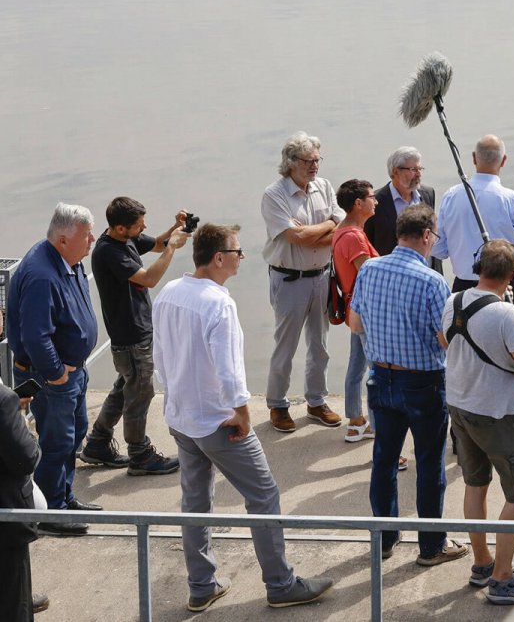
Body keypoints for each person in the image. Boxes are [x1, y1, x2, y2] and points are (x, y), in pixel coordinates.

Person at [153, 222, 333, 610]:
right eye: (237, 252)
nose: (242, 258)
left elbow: (161, 358)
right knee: (264, 495)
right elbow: (229, 368)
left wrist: (174, 403)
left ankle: (201, 586)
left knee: (195, 502)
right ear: (219, 258)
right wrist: (243, 413)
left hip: (183, 417)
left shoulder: (168, 292)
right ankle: (281, 584)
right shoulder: (219, 302)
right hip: (219, 421)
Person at [349, 204, 467, 567]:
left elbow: (355, 324)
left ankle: (385, 539)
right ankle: (431, 547)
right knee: (429, 464)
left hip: (380, 379)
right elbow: (444, 339)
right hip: (422, 383)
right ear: (428, 236)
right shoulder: (432, 280)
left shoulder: (369, 268)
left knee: (384, 459)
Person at [440, 239, 514, 606]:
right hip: (497, 414)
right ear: (513, 274)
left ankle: (482, 562)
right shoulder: (506, 315)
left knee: (475, 485)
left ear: (478, 267)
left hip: (459, 406)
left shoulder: (453, 301)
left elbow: (445, 341)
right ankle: (502, 580)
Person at [6, 203, 100, 533]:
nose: (92, 240)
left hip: (74, 371)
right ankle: (50, 512)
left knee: (74, 432)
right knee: (56, 441)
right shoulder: (41, 275)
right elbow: (35, 334)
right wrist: (56, 373)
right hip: (54, 378)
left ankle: (64, 495)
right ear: (62, 239)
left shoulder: (67, 261)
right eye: (86, 235)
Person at [80, 196, 188, 476]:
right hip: (130, 335)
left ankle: (98, 443)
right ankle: (140, 455)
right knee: (140, 393)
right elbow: (149, 278)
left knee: (124, 388)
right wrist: (173, 250)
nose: (144, 228)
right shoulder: (109, 252)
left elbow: (156, 245)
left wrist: (174, 231)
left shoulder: (125, 238)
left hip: (135, 332)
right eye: (139, 226)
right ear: (119, 228)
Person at [260, 131, 343, 434]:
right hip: (289, 279)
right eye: (309, 161)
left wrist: (314, 231)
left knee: (320, 345)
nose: (315, 166)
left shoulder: (324, 186)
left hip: (321, 276)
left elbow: (341, 226)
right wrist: (325, 228)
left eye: (318, 160)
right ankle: (278, 404)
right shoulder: (274, 195)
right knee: (286, 345)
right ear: (291, 162)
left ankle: (316, 401)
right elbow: (295, 238)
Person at [332, 178, 400, 459]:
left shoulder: (342, 231)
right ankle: (384, 445)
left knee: (357, 366)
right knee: (378, 375)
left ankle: (355, 421)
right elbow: (370, 276)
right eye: (372, 197)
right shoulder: (354, 237)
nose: (377, 201)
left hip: (355, 311)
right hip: (368, 313)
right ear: (358, 203)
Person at [433, 135, 514, 293]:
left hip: (463, 288)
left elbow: (438, 249)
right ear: (503, 160)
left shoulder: (451, 196)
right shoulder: (513, 200)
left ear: (474, 158)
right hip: (504, 287)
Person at [0, 369, 40, 619]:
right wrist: (23, 426)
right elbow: (26, 458)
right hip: (5, 524)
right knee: (14, 607)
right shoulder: (3, 400)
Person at [367, 147, 442, 274]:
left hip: (428, 273)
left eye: (420, 169)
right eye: (413, 169)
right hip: (393, 277)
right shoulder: (376, 201)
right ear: (395, 172)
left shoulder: (428, 193)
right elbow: (369, 242)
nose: (418, 174)